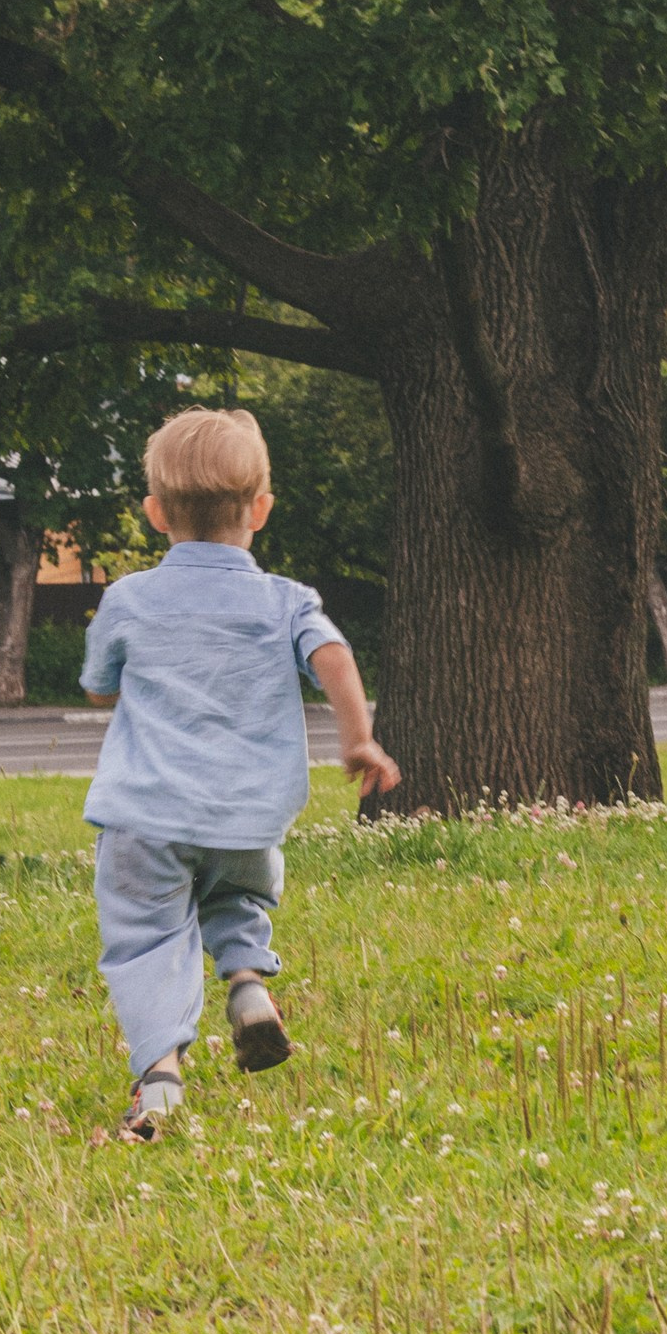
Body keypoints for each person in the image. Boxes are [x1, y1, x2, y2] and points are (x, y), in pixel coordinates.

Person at [80, 404, 398, 1144]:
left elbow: (99, 686)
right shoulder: (286, 600)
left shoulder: (128, 597)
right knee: (236, 896)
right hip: (248, 815)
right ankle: (248, 986)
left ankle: (159, 1078)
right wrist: (358, 741)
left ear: (156, 513)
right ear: (260, 509)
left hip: (146, 814)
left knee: (147, 938)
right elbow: (335, 657)